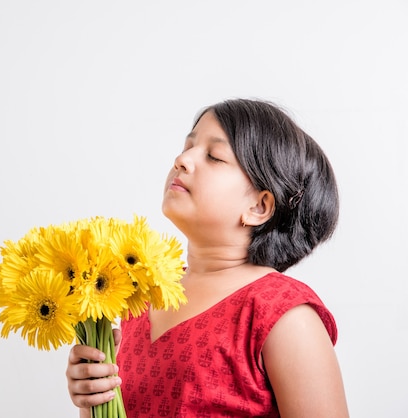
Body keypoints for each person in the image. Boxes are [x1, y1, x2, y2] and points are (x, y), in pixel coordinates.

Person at [66, 98, 349, 417]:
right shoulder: (141, 296)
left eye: (214, 156)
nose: (182, 159)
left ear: (258, 206)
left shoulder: (284, 316)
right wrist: (93, 398)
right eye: (187, 146)